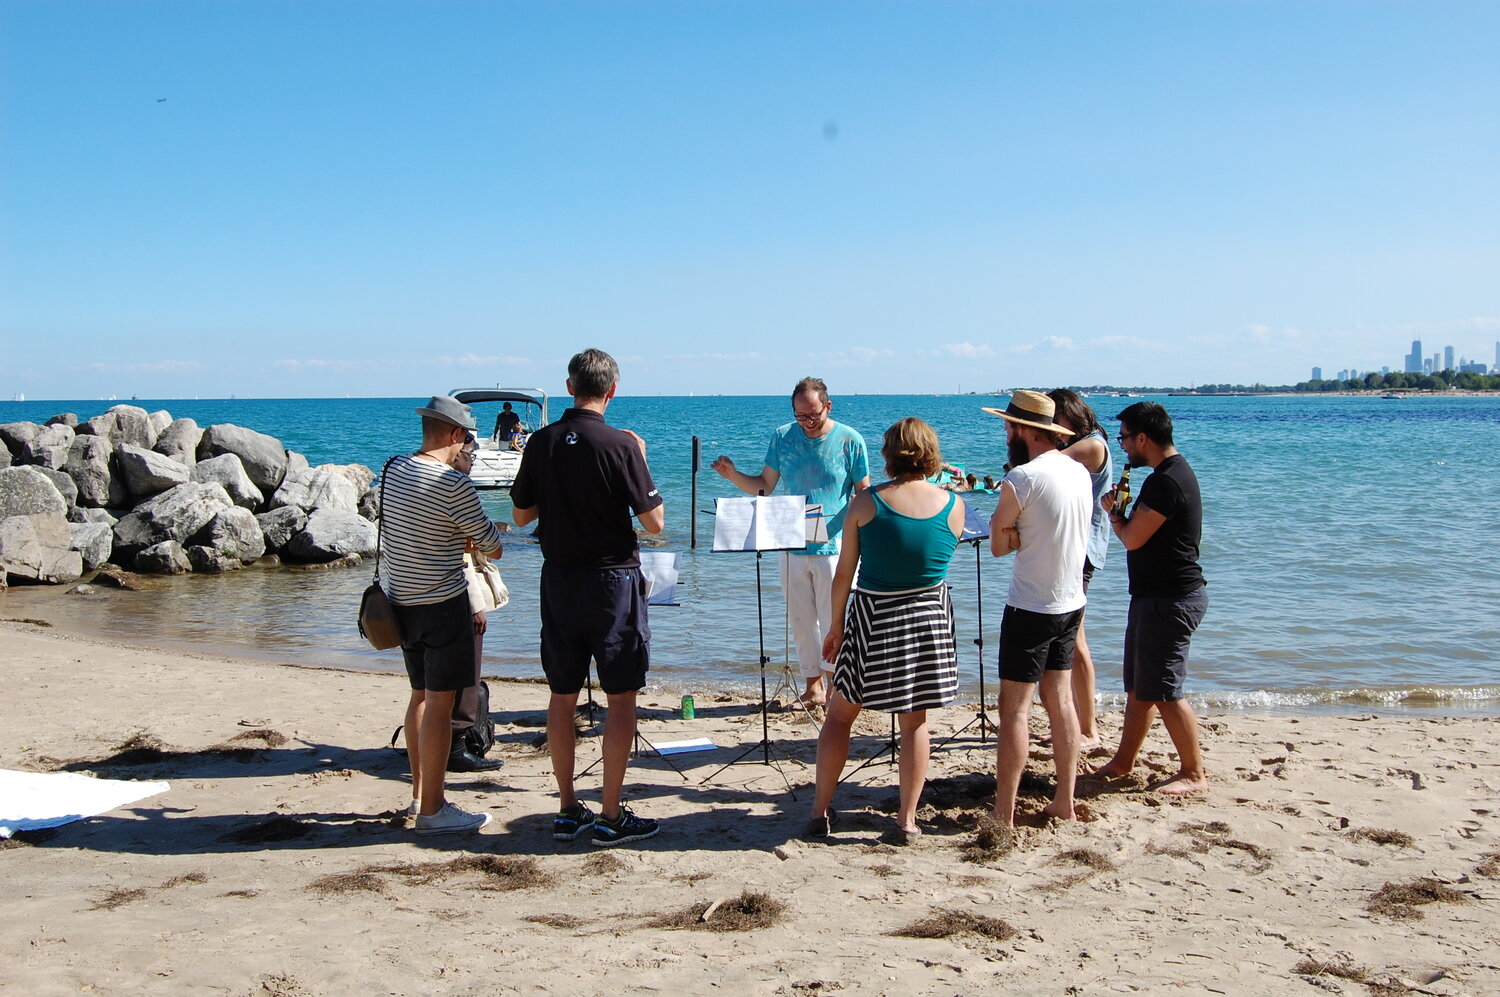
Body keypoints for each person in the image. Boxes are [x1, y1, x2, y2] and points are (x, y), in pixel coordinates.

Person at [511, 348, 666, 846]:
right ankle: (611, 812)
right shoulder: (620, 444)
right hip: (611, 581)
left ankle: (566, 807)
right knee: (621, 697)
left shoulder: (541, 441)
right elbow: (655, 523)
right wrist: (639, 459)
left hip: (558, 578)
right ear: (612, 391)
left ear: (569, 386)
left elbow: (520, 516)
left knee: (562, 695)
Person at [806, 418, 964, 844]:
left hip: (874, 614)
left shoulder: (865, 502)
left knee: (840, 715)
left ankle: (820, 811)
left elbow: (844, 575)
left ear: (889, 455)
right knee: (915, 722)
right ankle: (907, 820)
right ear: (931, 453)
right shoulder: (954, 504)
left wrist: (836, 626)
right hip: (928, 616)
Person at [382, 396, 505, 834]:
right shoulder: (453, 484)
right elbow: (491, 542)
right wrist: (477, 540)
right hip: (442, 602)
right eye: (466, 439)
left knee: (418, 695)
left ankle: (419, 796)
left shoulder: (393, 468)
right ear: (455, 435)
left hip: (400, 602)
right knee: (440, 702)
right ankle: (434, 809)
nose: (466, 447)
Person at [711, 377, 870, 706]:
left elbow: (863, 494)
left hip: (834, 545)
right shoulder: (783, 437)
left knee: (833, 620)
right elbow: (765, 486)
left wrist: (861, 536)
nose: (808, 423)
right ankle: (813, 687)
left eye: (814, 415)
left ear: (828, 406)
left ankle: (836, 688)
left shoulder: (850, 440)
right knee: (800, 620)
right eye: (801, 416)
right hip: (790, 540)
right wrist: (733, 475)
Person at [1089, 401, 1210, 794]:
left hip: (1171, 598)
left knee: (1165, 691)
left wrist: (1115, 516)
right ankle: (1124, 761)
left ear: (1143, 437)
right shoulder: (1167, 474)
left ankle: (1194, 773)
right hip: (1155, 596)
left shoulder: (1167, 480)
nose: (1121, 445)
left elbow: (1133, 539)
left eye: (1124, 437)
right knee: (1140, 688)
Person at [984, 390, 1091, 826]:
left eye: (1009, 426)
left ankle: (1004, 812)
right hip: (1071, 600)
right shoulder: (1078, 471)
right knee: (1061, 701)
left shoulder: (1022, 478)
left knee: (1014, 710)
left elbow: (996, 544)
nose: (1006, 433)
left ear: (1025, 430)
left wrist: (1017, 535)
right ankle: (1064, 799)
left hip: (1031, 605)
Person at [1047, 389, 1114, 751]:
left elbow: (1045, 465)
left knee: (1076, 640)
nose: (1051, 429)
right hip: (1072, 546)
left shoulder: (1092, 445)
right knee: (1066, 640)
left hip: (1083, 549)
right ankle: (1073, 721)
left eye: (1053, 420)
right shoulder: (1085, 442)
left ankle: (1088, 728)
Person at [445, 433, 505, 773]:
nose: (473, 461)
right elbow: (470, 554)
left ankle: (438, 743)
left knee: (430, 684)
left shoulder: (403, 474)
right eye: (471, 454)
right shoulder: (456, 488)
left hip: (416, 596)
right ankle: (457, 746)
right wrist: (476, 605)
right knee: (467, 674)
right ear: (457, 452)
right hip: (460, 596)